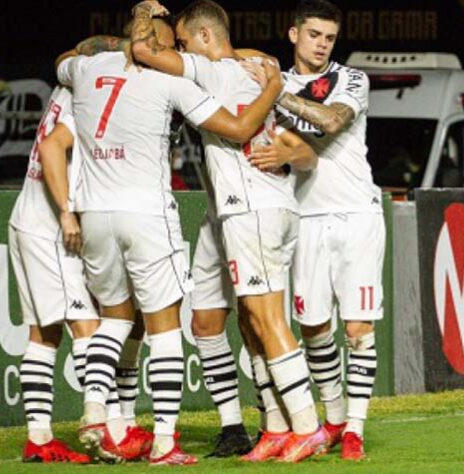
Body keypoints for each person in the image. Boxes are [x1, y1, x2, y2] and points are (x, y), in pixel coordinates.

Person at [56, 9, 283, 464]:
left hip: (94, 211)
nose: (177, 53)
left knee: (116, 320)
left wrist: (127, 36)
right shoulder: (171, 83)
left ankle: (97, 413)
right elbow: (238, 128)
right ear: (157, 47)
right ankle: (164, 441)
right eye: (171, 46)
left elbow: (68, 54)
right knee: (163, 329)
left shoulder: (85, 69)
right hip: (146, 213)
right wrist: (273, 86)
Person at [130, 0, 324, 463]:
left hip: (251, 209)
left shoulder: (211, 70)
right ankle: (276, 427)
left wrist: (142, 12)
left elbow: (141, 50)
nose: (177, 51)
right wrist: (269, 77)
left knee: (267, 318)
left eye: (181, 43)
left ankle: (307, 425)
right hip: (249, 209)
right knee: (252, 320)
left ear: (201, 38)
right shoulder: (255, 66)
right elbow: (249, 56)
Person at [244, 0, 385, 461]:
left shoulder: (352, 79)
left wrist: (275, 92)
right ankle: (334, 416)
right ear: (293, 35)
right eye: (314, 35)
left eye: (329, 37)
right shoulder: (275, 82)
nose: (322, 44)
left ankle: (355, 431)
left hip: (358, 214)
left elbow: (330, 121)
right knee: (313, 327)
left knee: (358, 328)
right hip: (304, 216)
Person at [7, 85, 96, 464]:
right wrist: (65, 212)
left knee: (44, 334)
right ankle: (101, 426)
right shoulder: (87, 98)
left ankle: (39, 438)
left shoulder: (67, 84)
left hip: (26, 217)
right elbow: (50, 149)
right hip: (49, 227)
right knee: (86, 326)